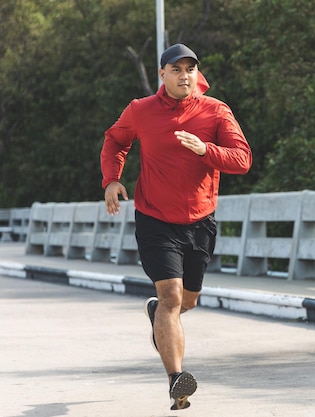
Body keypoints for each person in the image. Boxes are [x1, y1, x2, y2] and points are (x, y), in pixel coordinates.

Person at [100, 43, 252, 410]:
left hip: (200, 221)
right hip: (154, 218)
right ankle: (176, 381)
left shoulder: (216, 111)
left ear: (196, 74)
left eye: (190, 69)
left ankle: (158, 317)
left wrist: (205, 150)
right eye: (177, 69)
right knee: (170, 297)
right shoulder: (141, 110)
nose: (184, 76)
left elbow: (243, 159)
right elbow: (115, 140)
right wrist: (111, 179)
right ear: (162, 75)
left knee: (187, 301)